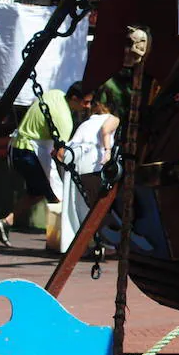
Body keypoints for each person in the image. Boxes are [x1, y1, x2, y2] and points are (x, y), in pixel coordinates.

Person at [0, 82, 92, 247]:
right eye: (86, 102)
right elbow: (61, 155)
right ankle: (63, 242)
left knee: (37, 192)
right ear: (75, 99)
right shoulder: (64, 121)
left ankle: (7, 221)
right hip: (29, 152)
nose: (88, 106)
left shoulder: (54, 93)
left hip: (17, 148)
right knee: (58, 197)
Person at [59, 99, 120, 252]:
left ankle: (73, 245)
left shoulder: (87, 122)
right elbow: (106, 130)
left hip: (72, 156)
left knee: (73, 204)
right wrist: (107, 151)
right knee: (96, 202)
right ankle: (100, 241)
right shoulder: (112, 118)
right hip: (92, 156)